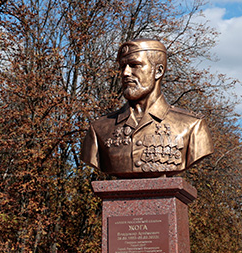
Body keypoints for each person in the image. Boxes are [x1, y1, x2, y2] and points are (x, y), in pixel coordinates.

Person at [81, 38, 213, 177]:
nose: (125, 73)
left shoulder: (192, 126)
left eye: (134, 65)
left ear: (158, 71)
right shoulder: (99, 129)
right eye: (122, 67)